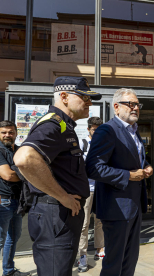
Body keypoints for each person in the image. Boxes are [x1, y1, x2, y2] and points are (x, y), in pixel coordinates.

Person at [13, 76, 102, 276]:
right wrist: (63, 197)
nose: (89, 102)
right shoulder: (53, 124)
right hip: (55, 215)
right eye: (84, 97)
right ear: (63, 96)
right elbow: (24, 158)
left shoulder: (64, 126)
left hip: (61, 216)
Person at [85, 88, 153, 276]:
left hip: (134, 205)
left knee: (130, 260)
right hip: (116, 208)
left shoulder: (133, 130)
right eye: (130, 104)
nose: (135, 108)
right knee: (114, 264)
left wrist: (146, 166)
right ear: (116, 107)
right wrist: (128, 176)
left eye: (137, 104)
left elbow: (134, 159)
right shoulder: (107, 130)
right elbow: (93, 167)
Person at [0, 121, 30, 276]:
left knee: (13, 238)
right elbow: (7, 175)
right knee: (0, 240)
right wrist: (27, 174)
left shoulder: (18, 150)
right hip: (3, 202)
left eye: (10, 132)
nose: (7, 135)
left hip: (18, 201)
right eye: (4, 132)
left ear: (16, 133)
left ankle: (9, 271)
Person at [76, 116, 105, 273]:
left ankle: (100, 249)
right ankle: (82, 256)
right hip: (87, 189)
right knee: (84, 224)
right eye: (95, 129)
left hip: (101, 188)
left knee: (100, 221)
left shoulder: (103, 144)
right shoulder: (82, 144)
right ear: (88, 129)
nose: (97, 132)